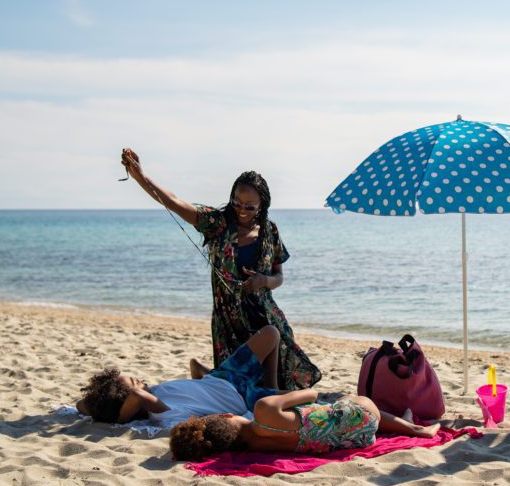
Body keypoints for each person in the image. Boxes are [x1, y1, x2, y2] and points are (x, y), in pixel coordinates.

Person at [119, 148, 320, 390]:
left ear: (262, 205)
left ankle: (204, 373)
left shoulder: (270, 231)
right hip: (229, 319)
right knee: (236, 385)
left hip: (265, 314)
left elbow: (279, 277)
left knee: (280, 382)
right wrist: (140, 175)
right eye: (237, 203)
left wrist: (263, 281)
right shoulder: (216, 223)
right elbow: (173, 201)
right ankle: (206, 374)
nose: (242, 211)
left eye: (250, 207)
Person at [76, 326, 283, 426]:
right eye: (135, 383)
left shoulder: (153, 394)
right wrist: (120, 419)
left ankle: (205, 376)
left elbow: (82, 405)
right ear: (132, 401)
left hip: (222, 377)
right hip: (242, 397)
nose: (140, 381)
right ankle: (271, 389)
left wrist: (105, 407)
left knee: (271, 333)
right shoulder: (161, 411)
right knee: (300, 396)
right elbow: (138, 397)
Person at [169, 390, 441, 460]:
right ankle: (416, 428)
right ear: (228, 417)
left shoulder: (255, 445)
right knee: (349, 400)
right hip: (364, 419)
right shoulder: (263, 410)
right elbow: (310, 393)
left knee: (340, 416)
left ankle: (409, 424)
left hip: (357, 440)